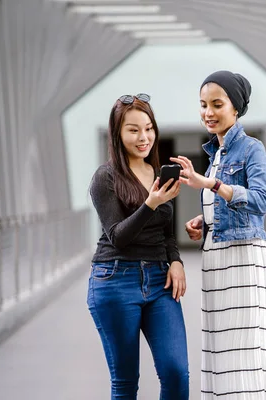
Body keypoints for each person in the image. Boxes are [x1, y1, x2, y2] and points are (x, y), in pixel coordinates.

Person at [171, 71, 266, 399]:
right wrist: (203, 222)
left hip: (243, 260)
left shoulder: (252, 149)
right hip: (217, 260)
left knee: (245, 349)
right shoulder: (216, 155)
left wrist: (210, 185)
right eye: (203, 105)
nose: (208, 112)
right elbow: (226, 205)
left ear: (236, 108)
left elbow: (261, 201)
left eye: (217, 104)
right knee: (222, 350)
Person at [87, 93, 189, 399]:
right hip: (115, 280)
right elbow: (118, 235)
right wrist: (150, 203)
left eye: (148, 128)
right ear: (117, 133)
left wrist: (176, 261)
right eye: (133, 130)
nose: (143, 137)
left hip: (160, 281)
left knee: (176, 373)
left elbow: (166, 233)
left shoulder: (158, 174)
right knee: (126, 381)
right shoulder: (105, 177)